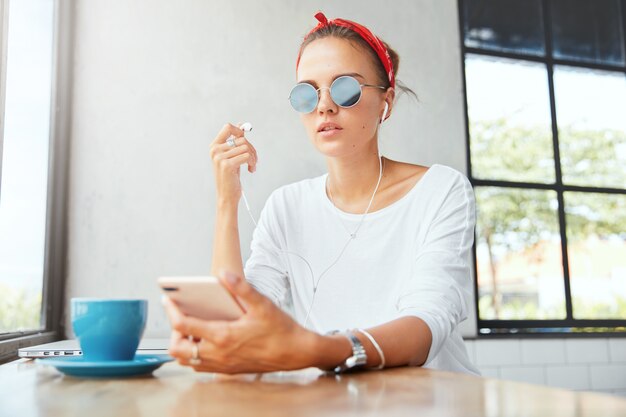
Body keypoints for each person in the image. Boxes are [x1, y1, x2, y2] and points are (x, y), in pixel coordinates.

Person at [163, 11, 480, 376]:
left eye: (345, 88)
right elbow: (234, 322)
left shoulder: (440, 191)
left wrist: (315, 349)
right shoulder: (287, 206)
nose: (325, 106)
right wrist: (226, 201)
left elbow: (428, 324)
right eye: (307, 94)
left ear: (385, 102)